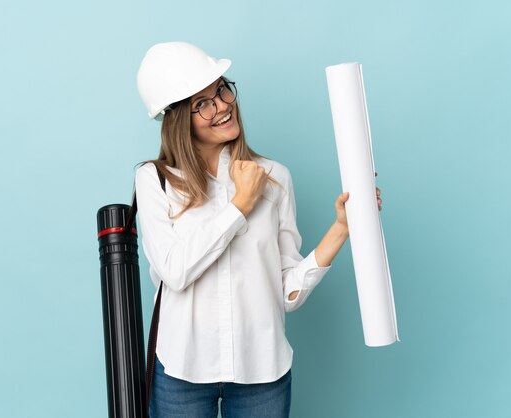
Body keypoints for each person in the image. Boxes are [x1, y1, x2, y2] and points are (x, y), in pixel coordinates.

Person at [135, 42, 382, 418]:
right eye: (202, 103)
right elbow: (175, 271)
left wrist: (340, 229)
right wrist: (239, 207)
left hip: (262, 371)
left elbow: (284, 293)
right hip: (181, 369)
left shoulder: (276, 177)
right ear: (178, 118)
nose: (222, 105)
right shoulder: (156, 181)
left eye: (221, 89)